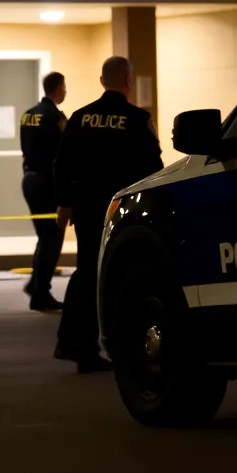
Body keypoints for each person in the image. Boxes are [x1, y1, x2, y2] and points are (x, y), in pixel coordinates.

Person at [53, 56, 164, 373]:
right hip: (122, 210)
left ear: (102, 81)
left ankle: (74, 342)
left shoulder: (80, 117)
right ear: (129, 81)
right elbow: (153, 168)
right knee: (117, 274)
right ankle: (112, 345)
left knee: (86, 270)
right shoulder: (136, 119)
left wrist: (65, 203)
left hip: (86, 208)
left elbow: (61, 163)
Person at [19, 71, 68, 312]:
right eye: (64, 87)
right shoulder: (54, 117)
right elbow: (66, 151)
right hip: (47, 182)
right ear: (58, 89)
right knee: (53, 237)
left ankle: (35, 283)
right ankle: (41, 293)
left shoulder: (28, 115)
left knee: (44, 235)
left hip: (29, 179)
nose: (65, 91)